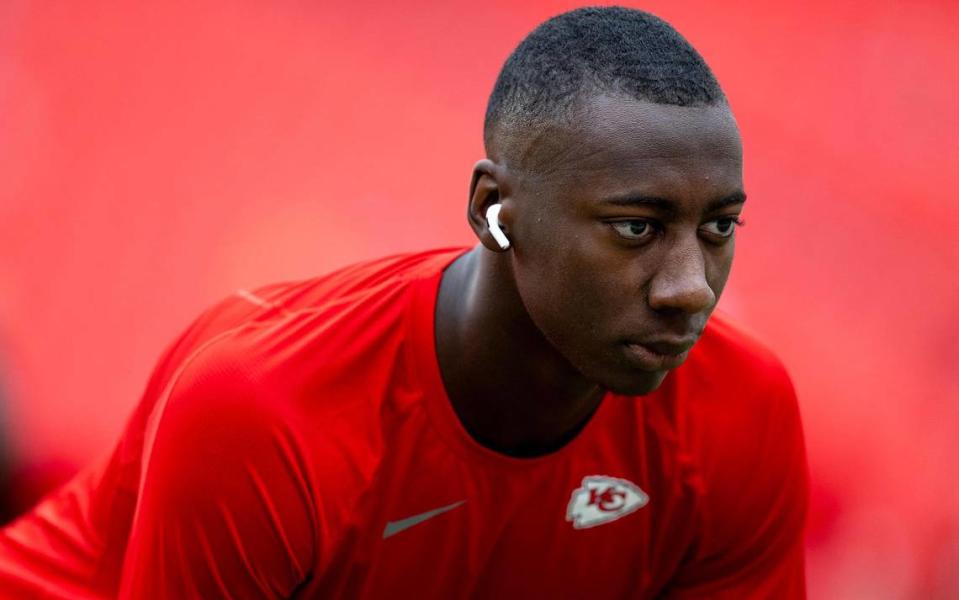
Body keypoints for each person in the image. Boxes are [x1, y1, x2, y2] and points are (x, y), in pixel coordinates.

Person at [0, 6, 807, 598]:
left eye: (718, 226)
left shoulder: (743, 410)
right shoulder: (263, 414)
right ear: (494, 209)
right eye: (636, 227)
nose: (688, 288)